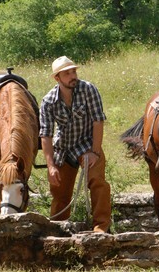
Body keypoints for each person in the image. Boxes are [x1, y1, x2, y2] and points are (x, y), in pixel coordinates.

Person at [40, 56, 112, 233]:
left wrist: (95, 152)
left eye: (74, 71)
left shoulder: (88, 89)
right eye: (67, 73)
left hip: (88, 144)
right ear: (57, 78)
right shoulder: (48, 101)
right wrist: (50, 166)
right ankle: (58, 230)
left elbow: (98, 121)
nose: (73, 75)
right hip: (63, 148)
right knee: (59, 192)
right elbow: (46, 135)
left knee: (97, 182)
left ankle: (101, 226)